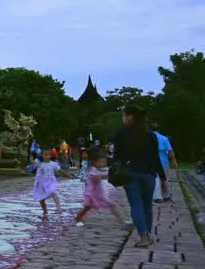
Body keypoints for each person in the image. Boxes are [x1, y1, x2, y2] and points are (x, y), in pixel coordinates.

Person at [114, 104, 164, 248]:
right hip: (148, 174)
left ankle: (143, 237)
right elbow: (155, 158)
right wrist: (163, 178)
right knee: (147, 205)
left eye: (123, 115)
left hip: (129, 173)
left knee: (136, 205)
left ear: (130, 116)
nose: (123, 118)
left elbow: (117, 157)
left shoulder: (121, 134)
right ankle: (147, 234)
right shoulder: (150, 135)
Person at [75, 150, 124, 226]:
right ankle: (77, 219)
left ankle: (122, 221)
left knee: (112, 204)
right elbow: (96, 177)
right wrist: (108, 175)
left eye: (104, 162)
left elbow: (99, 177)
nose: (103, 164)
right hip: (92, 195)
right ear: (94, 162)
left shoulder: (95, 169)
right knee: (86, 208)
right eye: (101, 162)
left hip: (98, 195)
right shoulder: (92, 170)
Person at [30, 150, 68, 219]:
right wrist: (31, 156)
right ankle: (45, 211)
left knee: (53, 192)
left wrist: (67, 175)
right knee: (41, 198)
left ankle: (59, 207)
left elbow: (60, 170)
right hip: (40, 182)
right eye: (45, 155)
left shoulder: (53, 164)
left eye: (48, 155)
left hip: (50, 181)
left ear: (51, 156)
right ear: (42, 155)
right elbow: (33, 162)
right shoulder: (39, 163)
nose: (47, 156)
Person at [152, 126, 177, 203]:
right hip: (163, 161)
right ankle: (166, 195)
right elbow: (170, 152)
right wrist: (174, 161)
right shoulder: (164, 138)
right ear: (158, 130)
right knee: (164, 178)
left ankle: (157, 196)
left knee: (155, 178)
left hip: (152, 160)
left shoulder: (147, 138)